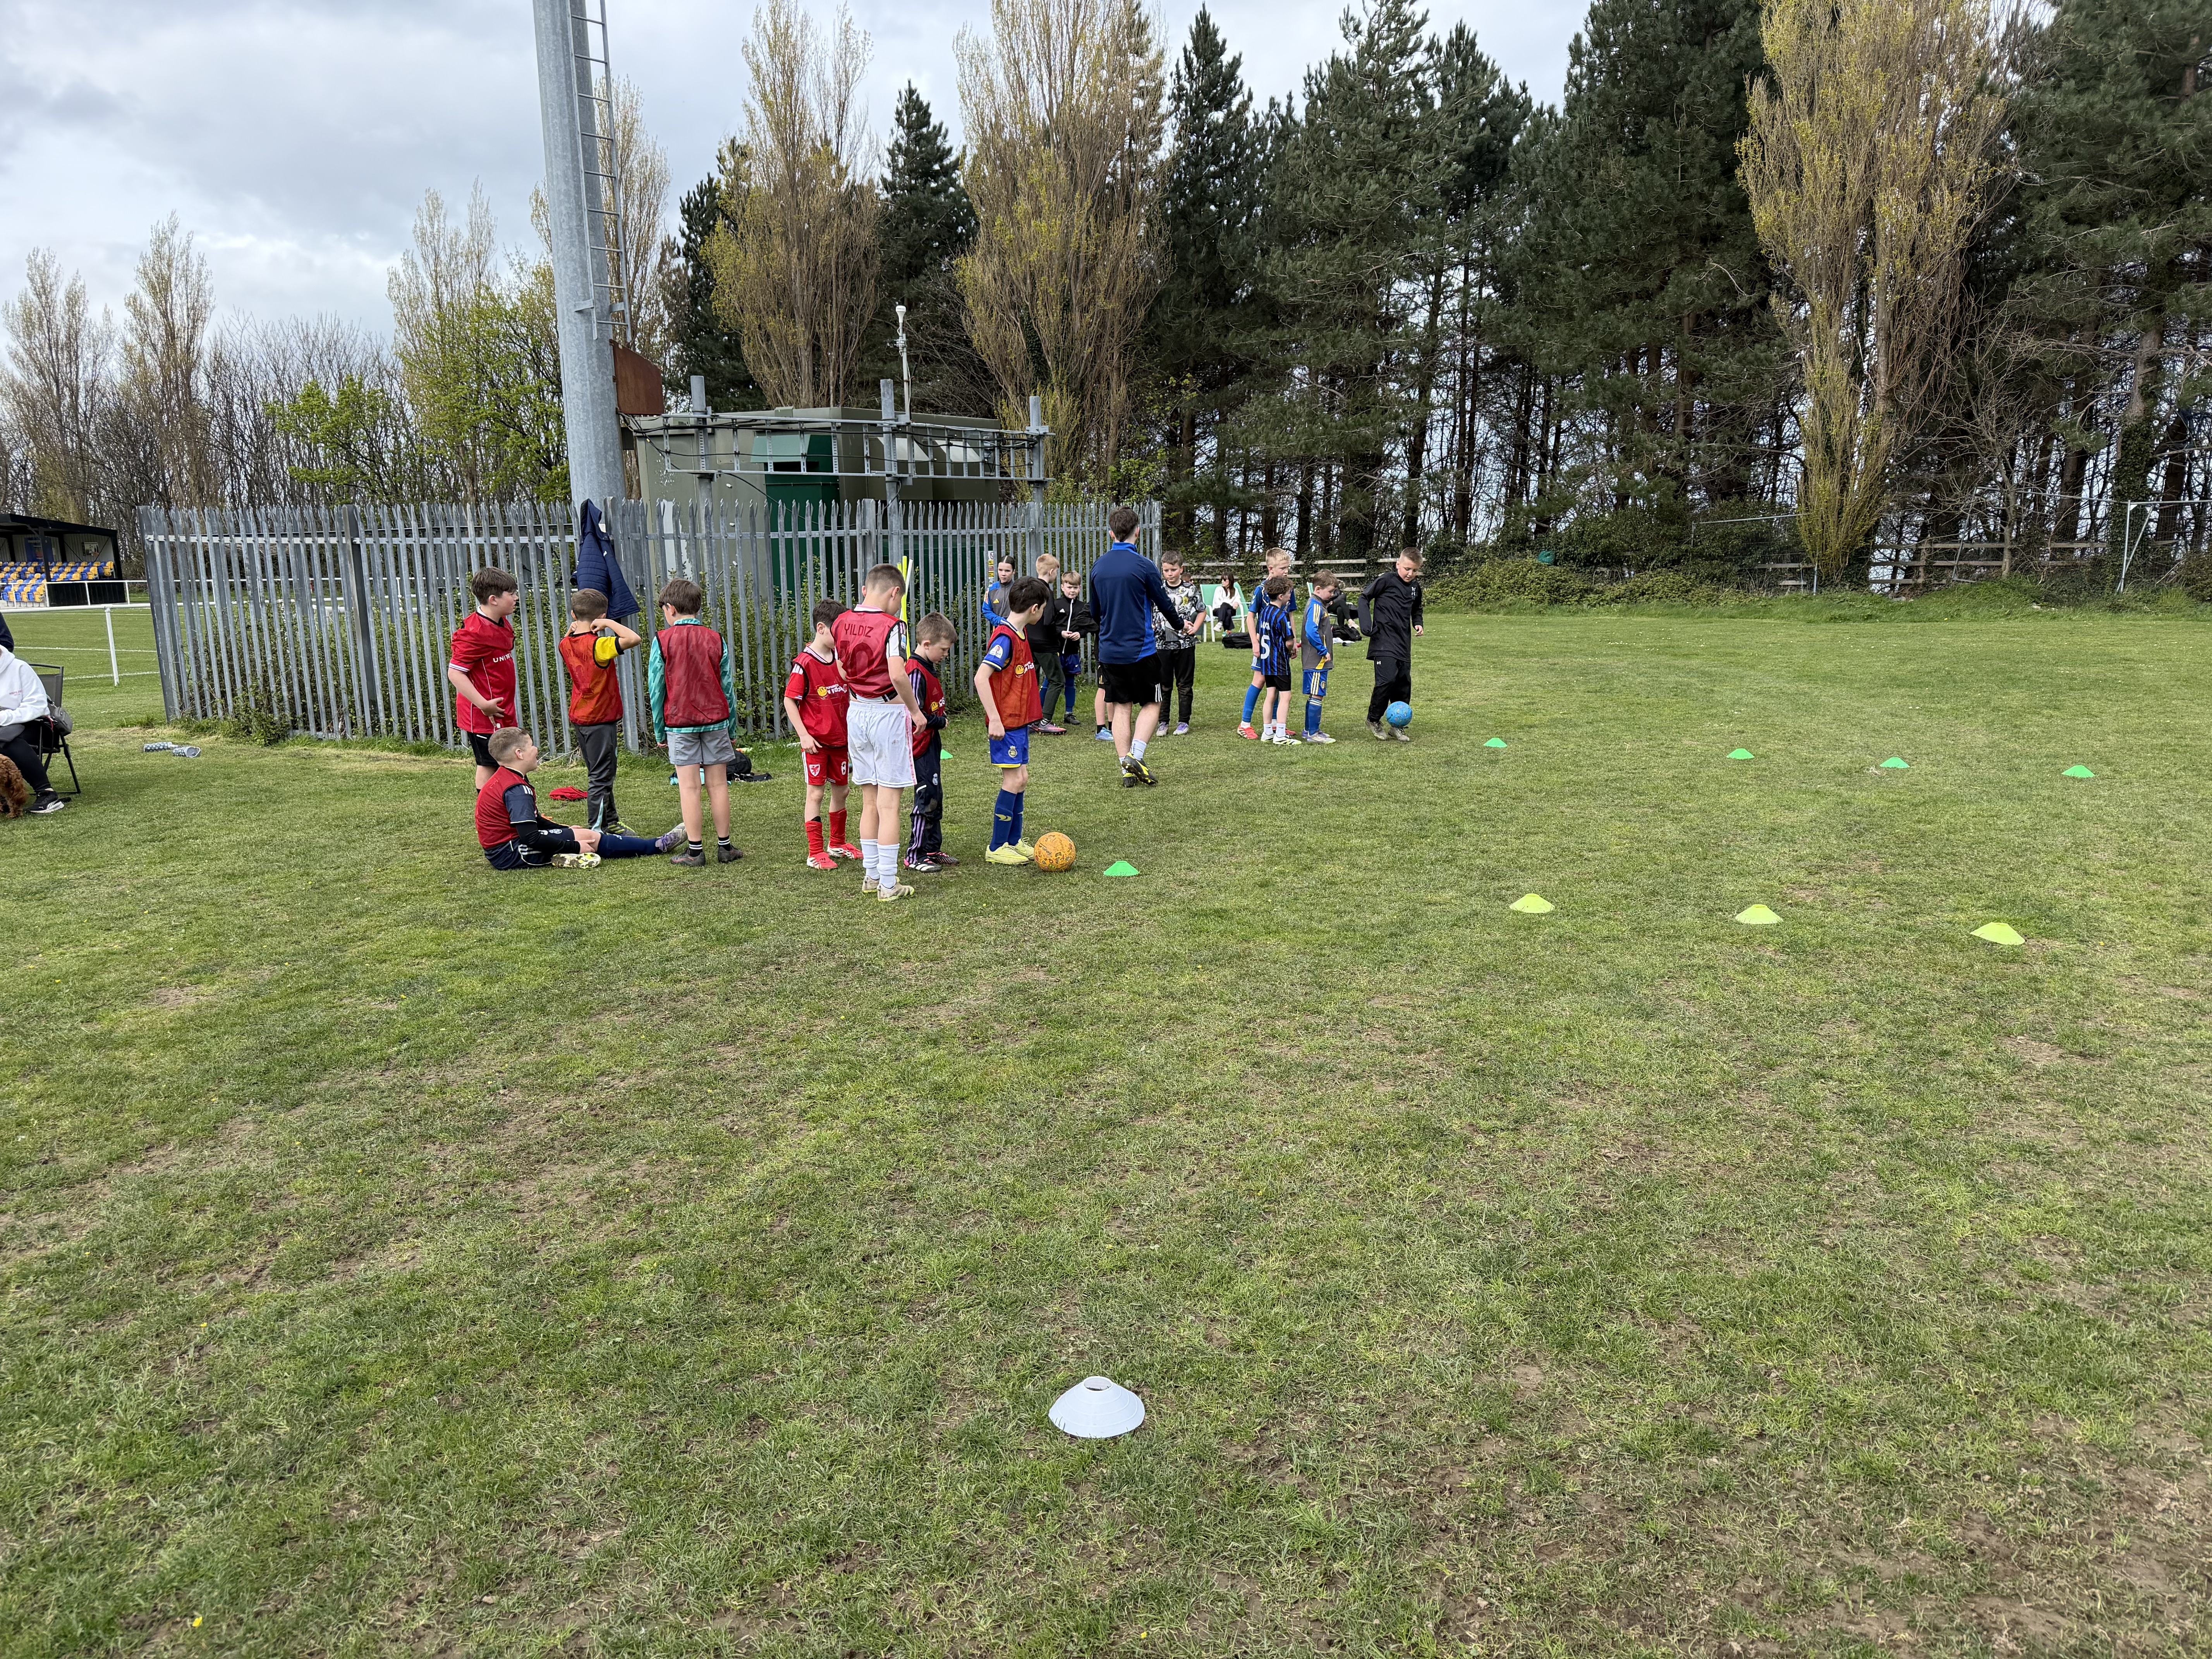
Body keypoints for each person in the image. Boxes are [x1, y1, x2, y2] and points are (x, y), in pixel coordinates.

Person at [831, 563, 927, 902]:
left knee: (869, 800)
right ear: (894, 593)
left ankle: (872, 877)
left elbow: (841, 666)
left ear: (863, 591)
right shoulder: (894, 626)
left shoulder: (841, 621)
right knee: (890, 804)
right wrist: (916, 711)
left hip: (856, 711)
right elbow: (898, 673)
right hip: (887, 712)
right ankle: (888, 884)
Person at [475, 726, 684, 869]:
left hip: (508, 847)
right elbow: (531, 838)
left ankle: (568, 853)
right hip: (510, 853)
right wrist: (574, 846)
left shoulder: (507, 777)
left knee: (581, 833)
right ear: (520, 754)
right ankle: (656, 846)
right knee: (589, 839)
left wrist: (565, 831)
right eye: (531, 746)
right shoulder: (517, 790)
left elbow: (534, 821)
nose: (536, 750)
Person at [1087, 505, 1191, 787]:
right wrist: (1181, 625)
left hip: (1109, 650)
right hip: (1141, 650)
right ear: (1138, 532)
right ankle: (1136, 756)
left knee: (1121, 707)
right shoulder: (1144, 566)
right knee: (1153, 702)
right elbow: (1164, 604)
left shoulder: (1098, 566)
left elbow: (1094, 613)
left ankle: (1125, 769)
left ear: (1111, 534)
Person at [647, 577, 742, 866]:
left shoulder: (662, 641)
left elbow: (656, 688)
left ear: (670, 609)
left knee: (689, 788)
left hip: (679, 724)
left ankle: (695, 851)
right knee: (718, 785)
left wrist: (659, 729)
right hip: (716, 722)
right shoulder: (716, 639)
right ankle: (725, 848)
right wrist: (732, 727)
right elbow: (728, 688)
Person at [976, 575, 1049, 862]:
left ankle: (1014, 840)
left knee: (1022, 778)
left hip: (1018, 722)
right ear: (1034, 609)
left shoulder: (1020, 633)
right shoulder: (1005, 638)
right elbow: (981, 678)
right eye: (1043, 608)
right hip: (1005, 723)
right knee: (1013, 779)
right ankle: (996, 848)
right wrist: (995, 719)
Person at [557, 587, 641, 831]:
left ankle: (611, 822)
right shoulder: (601, 645)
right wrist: (609, 622)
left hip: (580, 716)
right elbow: (634, 639)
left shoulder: (565, 643)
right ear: (601, 615)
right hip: (600, 718)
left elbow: (569, 640)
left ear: (573, 615)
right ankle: (597, 831)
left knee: (601, 772)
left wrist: (576, 628)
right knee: (600, 776)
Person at [783, 599, 859, 872]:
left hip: (841, 742)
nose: (843, 640)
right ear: (822, 629)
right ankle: (815, 852)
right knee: (815, 794)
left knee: (843, 790)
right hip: (816, 743)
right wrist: (803, 735)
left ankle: (837, 843)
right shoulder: (804, 664)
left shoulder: (841, 662)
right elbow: (790, 701)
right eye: (840, 634)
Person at [447, 567, 519, 791]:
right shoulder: (474, 632)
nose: (517, 597)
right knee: (488, 765)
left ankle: (507, 810)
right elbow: (455, 672)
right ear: (493, 599)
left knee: (507, 762)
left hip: (501, 708)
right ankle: (487, 815)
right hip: (484, 714)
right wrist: (484, 705)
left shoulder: (502, 621)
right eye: (512, 593)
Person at [903, 612, 957, 872]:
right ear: (926, 644)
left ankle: (932, 849)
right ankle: (914, 854)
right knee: (925, 798)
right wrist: (939, 721)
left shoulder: (928, 668)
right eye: (943, 650)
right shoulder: (914, 672)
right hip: (920, 746)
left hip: (932, 743)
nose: (946, 654)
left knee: (937, 796)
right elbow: (912, 713)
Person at [1360, 548, 1426, 741]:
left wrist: (1418, 622)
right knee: (1387, 681)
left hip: (1403, 643)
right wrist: (1366, 624)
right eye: (1407, 569)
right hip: (1383, 642)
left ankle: (1398, 726)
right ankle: (1374, 720)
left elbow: (1417, 608)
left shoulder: (1415, 587)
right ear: (1398, 564)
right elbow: (1364, 598)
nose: (1410, 574)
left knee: (1403, 685)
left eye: (1415, 571)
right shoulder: (1387, 580)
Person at [1238, 547, 1295, 739]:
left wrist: (1293, 641)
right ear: (1271, 569)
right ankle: (1245, 724)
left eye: (1288, 568)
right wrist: (1255, 642)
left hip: (1280, 648)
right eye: (1283, 568)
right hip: (1264, 647)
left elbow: (1290, 616)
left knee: (1277, 683)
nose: (1286, 571)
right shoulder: (1261, 591)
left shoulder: (1288, 589)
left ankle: (1276, 724)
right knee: (1260, 680)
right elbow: (1250, 617)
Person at [0, 644, 63, 814]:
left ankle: (47, 794)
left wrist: (4, 717)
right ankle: (5, 795)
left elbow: (36, 707)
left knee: (6, 740)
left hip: (37, 726)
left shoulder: (20, 668)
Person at [1155, 554, 1200, 734]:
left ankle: (1183, 722)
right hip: (1162, 645)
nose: (1170, 574)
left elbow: (1202, 610)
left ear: (1181, 569)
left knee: (1185, 685)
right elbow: (1149, 610)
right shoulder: (1158, 590)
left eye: (1173, 570)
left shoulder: (1191, 589)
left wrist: (1196, 627)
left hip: (1185, 645)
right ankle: (1163, 722)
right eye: (1166, 570)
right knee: (1164, 686)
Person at [1252, 574, 1298, 744]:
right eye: (1289, 594)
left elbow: (1259, 634)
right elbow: (1288, 641)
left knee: (1271, 694)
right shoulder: (1282, 616)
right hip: (1279, 662)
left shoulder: (1264, 613)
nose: (1290, 596)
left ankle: (1267, 732)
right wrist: (1292, 648)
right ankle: (1280, 734)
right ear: (1281, 596)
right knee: (1286, 696)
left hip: (1266, 662)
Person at [1029, 553, 1071, 734]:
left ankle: (1030, 720)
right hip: (1045, 644)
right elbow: (1047, 621)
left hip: (1030, 640)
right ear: (1052, 572)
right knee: (1057, 680)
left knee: (1031, 680)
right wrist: (1058, 625)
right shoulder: (1047, 592)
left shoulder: (1030, 589)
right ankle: (1045, 720)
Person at [1054, 570, 1096, 735]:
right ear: (1063, 587)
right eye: (1069, 587)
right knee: (1052, 682)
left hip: (1072, 652)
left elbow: (1089, 626)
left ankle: (1069, 713)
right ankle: (1043, 714)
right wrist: (1061, 633)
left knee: (1070, 683)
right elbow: (1050, 626)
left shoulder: (1083, 607)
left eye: (1076, 588)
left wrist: (1081, 634)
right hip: (1056, 651)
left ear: (1080, 589)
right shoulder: (1056, 605)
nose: (1072, 590)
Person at [1300, 572, 1340, 744]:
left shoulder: (1317, 604)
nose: (1332, 595)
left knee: (1315, 694)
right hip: (1317, 660)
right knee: (1317, 695)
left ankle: (1309, 730)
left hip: (1316, 659)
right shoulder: (1316, 606)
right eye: (1330, 591)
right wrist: (1323, 651)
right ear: (1318, 589)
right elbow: (1311, 630)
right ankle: (1313, 733)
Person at [983, 556, 1016, 630]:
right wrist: (999, 621)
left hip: (1017, 631)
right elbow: (986, 610)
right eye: (1000, 570)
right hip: (998, 631)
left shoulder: (1019, 589)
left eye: (1007, 571)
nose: (1003, 574)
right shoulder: (991, 589)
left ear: (1014, 572)